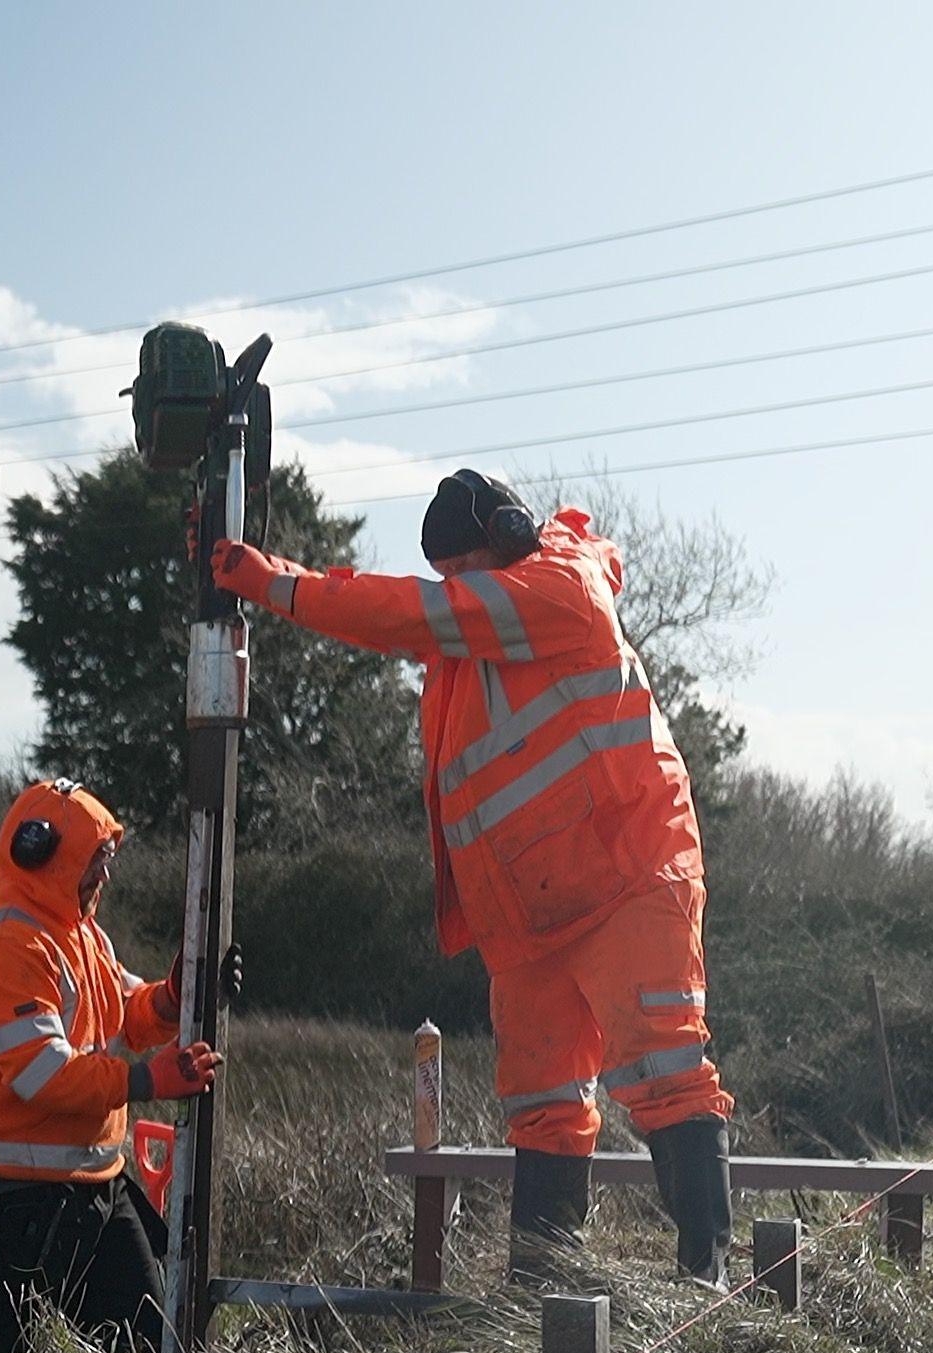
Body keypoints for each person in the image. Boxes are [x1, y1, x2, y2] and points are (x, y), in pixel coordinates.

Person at [208, 467, 734, 1283]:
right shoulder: (473, 642)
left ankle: (708, 1284)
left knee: (665, 1074)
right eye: (447, 578)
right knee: (541, 1106)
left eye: (461, 572)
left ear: (509, 540)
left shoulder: (559, 589)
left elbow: (397, 614)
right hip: (532, 917)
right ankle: (540, 1296)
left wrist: (273, 581)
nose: (454, 591)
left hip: (627, 875)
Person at [0, 777, 238, 1353]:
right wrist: (147, 1082)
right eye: (93, 862)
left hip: (93, 1193)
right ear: (47, 857)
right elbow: (44, 1074)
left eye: (105, 861)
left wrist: (176, 996)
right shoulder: (8, 946)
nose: (102, 877)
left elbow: (127, 1013)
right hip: (12, 1213)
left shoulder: (82, 938)